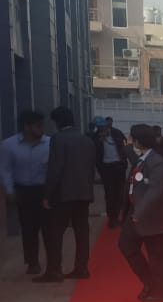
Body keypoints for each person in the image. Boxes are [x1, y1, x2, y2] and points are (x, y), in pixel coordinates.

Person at [118, 124, 163, 302]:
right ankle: (149, 281)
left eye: (131, 138)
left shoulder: (157, 162)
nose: (129, 140)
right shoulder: (143, 159)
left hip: (153, 215)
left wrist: (139, 211)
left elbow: (155, 191)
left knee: (157, 254)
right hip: (137, 212)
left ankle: (161, 290)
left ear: (138, 141)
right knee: (126, 245)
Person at [39, 106, 97, 282]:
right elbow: (91, 168)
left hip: (63, 193)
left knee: (55, 231)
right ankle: (82, 267)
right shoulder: (87, 140)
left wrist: (47, 194)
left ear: (57, 122)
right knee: (82, 231)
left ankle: (54, 270)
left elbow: (55, 169)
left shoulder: (58, 139)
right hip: (84, 192)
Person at [0, 110, 51, 275]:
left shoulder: (50, 143)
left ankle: (53, 263)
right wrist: (9, 190)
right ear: (26, 127)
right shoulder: (8, 145)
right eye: (38, 126)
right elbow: (5, 170)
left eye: (42, 125)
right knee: (28, 228)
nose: (42, 129)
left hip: (44, 190)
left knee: (49, 228)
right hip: (23, 191)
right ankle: (32, 262)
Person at [95, 116, 130, 228]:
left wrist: (124, 160)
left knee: (120, 192)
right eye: (100, 127)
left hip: (119, 165)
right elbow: (95, 151)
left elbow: (124, 144)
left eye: (105, 125)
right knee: (110, 194)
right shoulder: (96, 136)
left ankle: (118, 214)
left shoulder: (117, 133)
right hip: (106, 167)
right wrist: (101, 138)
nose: (103, 128)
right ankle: (112, 218)